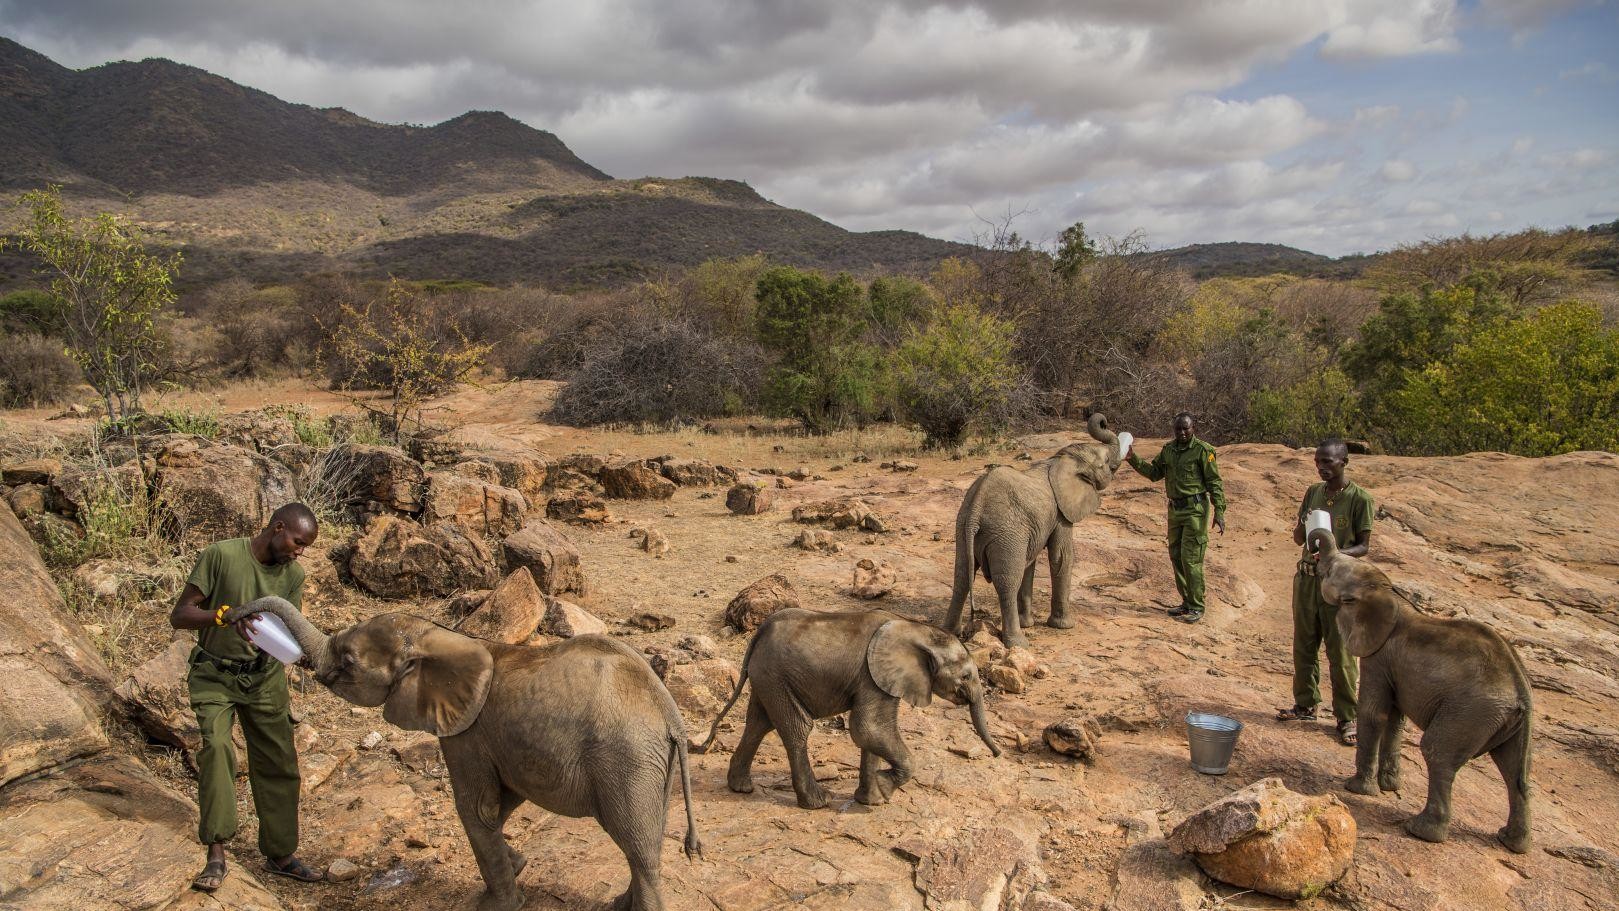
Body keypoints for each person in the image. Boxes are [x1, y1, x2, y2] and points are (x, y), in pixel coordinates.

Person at [170, 502, 324, 892]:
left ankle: (281, 854)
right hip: (214, 675)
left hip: (264, 679)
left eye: (305, 547)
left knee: (279, 762)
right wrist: (224, 616)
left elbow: (288, 626)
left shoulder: (293, 574)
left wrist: (300, 654)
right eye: (297, 542)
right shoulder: (221, 555)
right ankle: (217, 852)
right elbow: (182, 614)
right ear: (277, 528)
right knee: (218, 750)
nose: (299, 551)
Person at [1276, 439, 1373, 746]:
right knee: (1304, 644)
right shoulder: (1313, 493)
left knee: (1340, 651)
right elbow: (1297, 538)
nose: (1321, 467)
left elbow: (1364, 546)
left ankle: (1347, 717)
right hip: (1306, 579)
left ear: (1344, 462)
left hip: (1338, 581)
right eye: (1318, 461)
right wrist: (1303, 526)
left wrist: (1335, 553)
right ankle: (1305, 704)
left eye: (1328, 462)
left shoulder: (1359, 499)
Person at [1125, 412, 1226, 624]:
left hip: (1195, 510)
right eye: (1178, 429)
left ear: (1193, 428)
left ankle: (1197, 606)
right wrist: (1132, 458)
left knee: (1191, 558)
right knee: (1176, 555)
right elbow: (1154, 473)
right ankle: (1186, 602)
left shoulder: (1203, 451)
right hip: (1175, 510)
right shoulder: (1168, 450)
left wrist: (1219, 511)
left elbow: (1214, 482)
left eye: (1185, 429)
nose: (1182, 433)